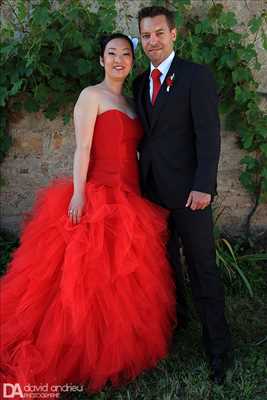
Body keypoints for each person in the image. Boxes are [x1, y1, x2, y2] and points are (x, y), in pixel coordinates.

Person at [0, 33, 177, 398]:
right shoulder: (91, 96)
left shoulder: (132, 101)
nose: (118, 60)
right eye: (111, 54)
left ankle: (116, 350)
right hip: (97, 194)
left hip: (130, 199)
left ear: (133, 61)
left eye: (126, 54)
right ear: (101, 60)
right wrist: (79, 193)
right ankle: (72, 351)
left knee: (121, 281)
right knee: (81, 279)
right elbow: (82, 149)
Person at [133, 6, 232, 384]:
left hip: (192, 195)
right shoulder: (141, 82)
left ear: (174, 34)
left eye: (159, 33)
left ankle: (219, 351)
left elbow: (208, 134)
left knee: (202, 270)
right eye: (146, 36)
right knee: (166, 270)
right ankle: (179, 327)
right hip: (153, 196)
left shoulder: (195, 76)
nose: (152, 41)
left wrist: (204, 184)